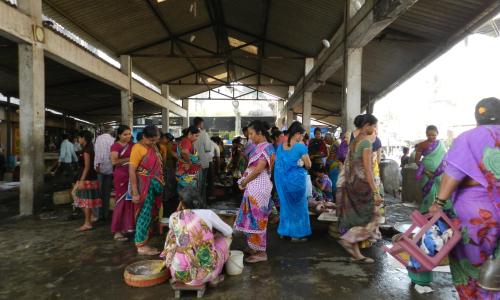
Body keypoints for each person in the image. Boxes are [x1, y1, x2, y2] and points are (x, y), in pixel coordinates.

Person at [430, 97, 499, 299]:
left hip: (477, 214)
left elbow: (454, 174)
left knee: (471, 266)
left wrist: (438, 203)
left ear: (477, 117)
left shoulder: (468, 138)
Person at [162, 187, 232, 286]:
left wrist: (179, 211)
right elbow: (229, 231)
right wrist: (213, 236)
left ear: (181, 202)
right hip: (204, 275)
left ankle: (175, 271)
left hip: (179, 274)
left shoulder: (173, 216)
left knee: (172, 234)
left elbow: (176, 231)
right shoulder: (208, 214)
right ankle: (213, 277)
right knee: (226, 238)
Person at [337, 114, 382, 263]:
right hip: (363, 187)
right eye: (374, 126)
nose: (374, 129)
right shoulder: (366, 143)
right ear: (367, 125)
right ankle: (348, 240)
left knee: (355, 220)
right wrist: (375, 192)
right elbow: (368, 170)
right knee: (373, 216)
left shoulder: (354, 141)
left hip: (351, 185)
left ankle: (357, 255)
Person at [234, 120, 275, 263]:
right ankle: (254, 246)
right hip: (254, 187)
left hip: (259, 187)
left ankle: (261, 252)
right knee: (251, 218)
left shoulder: (266, 147)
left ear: (260, 133)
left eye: (251, 134)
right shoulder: (261, 147)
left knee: (258, 219)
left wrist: (245, 181)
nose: (249, 136)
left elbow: (258, 169)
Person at [129, 125, 164, 255]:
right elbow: (132, 170)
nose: (154, 143)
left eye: (156, 140)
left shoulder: (152, 147)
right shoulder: (137, 148)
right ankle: (141, 245)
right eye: (151, 140)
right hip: (143, 187)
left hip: (153, 186)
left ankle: (144, 242)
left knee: (150, 214)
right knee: (143, 215)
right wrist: (135, 192)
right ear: (143, 136)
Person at [275, 121, 312, 242]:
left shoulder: (281, 147)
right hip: (296, 183)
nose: (302, 137)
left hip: (282, 183)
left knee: (286, 207)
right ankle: (298, 234)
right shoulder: (300, 146)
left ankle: (285, 232)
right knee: (299, 208)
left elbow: (278, 167)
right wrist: (300, 163)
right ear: (297, 134)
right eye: (302, 135)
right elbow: (308, 165)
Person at [110, 125, 134, 242]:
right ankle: (117, 231)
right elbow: (114, 161)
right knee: (120, 202)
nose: (128, 136)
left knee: (129, 202)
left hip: (132, 176)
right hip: (121, 177)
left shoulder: (133, 145)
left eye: (129, 134)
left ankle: (127, 227)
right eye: (125, 134)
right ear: (119, 135)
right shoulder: (115, 146)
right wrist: (130, 158)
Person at [74, 130, 102, 232]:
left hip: (86, 178)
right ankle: (91, 217)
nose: (78, 140)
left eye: (79, 138)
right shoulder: (90, 148)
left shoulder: (86, 150)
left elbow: (87, 166)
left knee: (84, 201)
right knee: (84, 200)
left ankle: (88, 223)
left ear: (83, 138)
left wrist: (81, 180)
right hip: (90, 177)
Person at [415, 125, 447, 213]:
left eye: (433, 135)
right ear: (426, 134)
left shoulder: (441, 144)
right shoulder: (422, 145)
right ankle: (426, 212)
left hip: (439, 173)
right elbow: (417, 161)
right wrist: (426, 172)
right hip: (427, 174)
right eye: (429, 135)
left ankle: (440, 212)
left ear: (437, 134)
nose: (431, 137)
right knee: (429, 193)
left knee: (441, 192)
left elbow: (445, 157)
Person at [94, 125, 115, 220]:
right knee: (106, 192)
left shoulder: (99, 139)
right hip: (110, 168)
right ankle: (106, 214)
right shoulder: (113, 140)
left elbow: (98, 153)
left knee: (99, 192)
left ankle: (98, 214)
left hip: (100, 168)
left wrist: (97, 165)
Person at [193, 117, 214, 206]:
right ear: (201, 124)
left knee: (193, 184)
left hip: (192, 162)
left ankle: (193, 203)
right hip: (202, 162)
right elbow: (208, 148)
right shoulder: (203, 134)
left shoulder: (189, 132)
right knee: (201, 184)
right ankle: (201, 203)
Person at [176, 126, 201, 193]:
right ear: (190, 134)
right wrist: (190, 163)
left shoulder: (185, 141)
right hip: (187, 173)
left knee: (185, 193)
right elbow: (184, 152)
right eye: (196, 136)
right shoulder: (186, 141)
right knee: (187, 194)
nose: (197, 138)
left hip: (187, 172)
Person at [159, 133, 178, 217]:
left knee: (169, 185)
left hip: (169, 168)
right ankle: (166, 198)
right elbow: (164, 160)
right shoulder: (163, 146)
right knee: (168, 185)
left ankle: (167, 198)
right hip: (167, 168)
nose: (170, 142)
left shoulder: (167, 146)